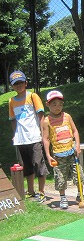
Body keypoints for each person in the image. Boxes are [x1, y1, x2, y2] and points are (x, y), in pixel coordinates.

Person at [42, 90, 84, 209]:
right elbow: (46, 139)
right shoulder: (46, 121)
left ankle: (80, 195)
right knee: (60, 178)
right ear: (48, 105)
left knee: (78, 175)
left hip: (72, 153)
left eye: (60, 104)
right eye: (54, 104)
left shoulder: (67, 116)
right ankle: (63, 198)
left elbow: (75, 131)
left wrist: (77, 145)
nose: (57, 107)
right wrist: (48, 155)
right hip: (58, 155)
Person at [8, 70, 49, 202]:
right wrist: (15, 134)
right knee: (26, 166)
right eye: (15, 84)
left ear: (25, 83)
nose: (19, 85)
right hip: (21, 139)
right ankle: (30, 191)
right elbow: (13, 119)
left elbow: (41, 115)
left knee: (38, 163)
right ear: (12, 86)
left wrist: (43, 134)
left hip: (34, 136)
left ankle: (41, 191)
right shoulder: (11, 101)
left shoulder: (33, 96)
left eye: (21, 82)